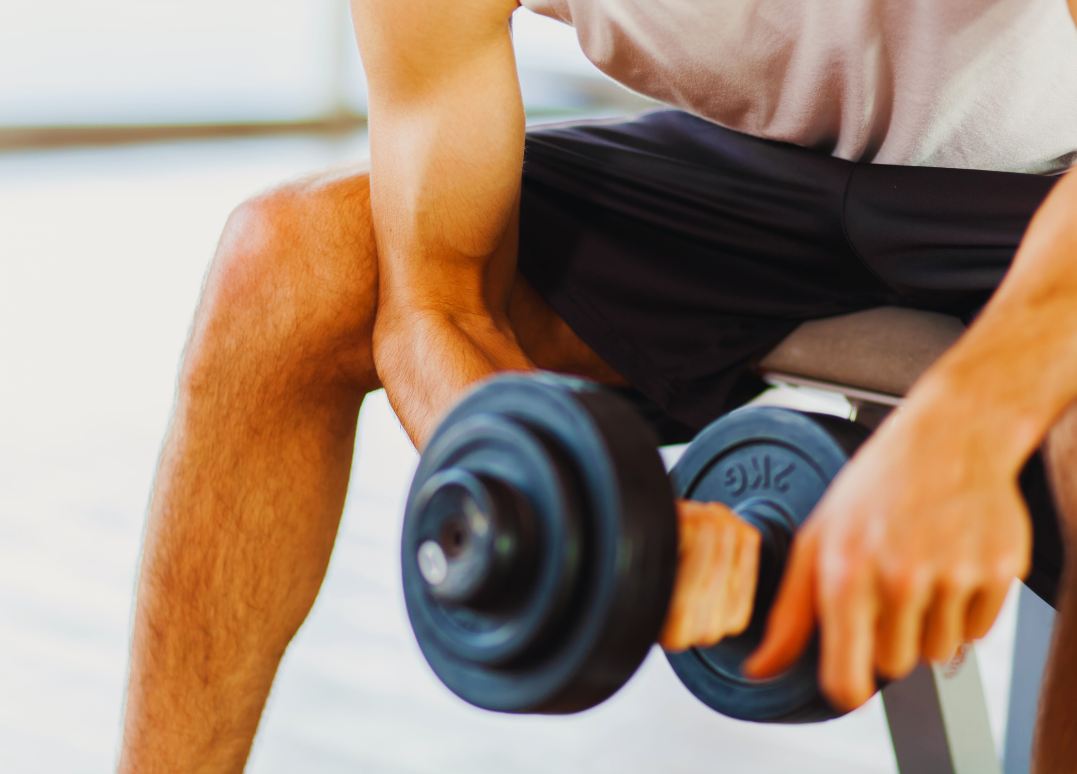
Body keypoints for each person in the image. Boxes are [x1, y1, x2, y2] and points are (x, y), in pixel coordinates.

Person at [117, 0, 1077, 771]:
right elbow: (439, 308)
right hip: (759, 180)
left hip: (1044, 190)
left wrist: (963, 427)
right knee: (282, 269)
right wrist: (600, 520)